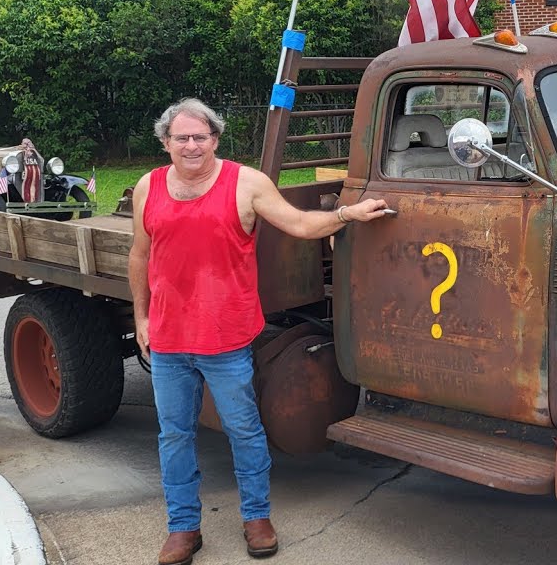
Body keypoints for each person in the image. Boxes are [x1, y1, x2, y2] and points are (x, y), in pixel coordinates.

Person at [129, 98, 390, 565]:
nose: (191, 145)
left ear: (215, 140)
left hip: (226, 338)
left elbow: (299, 223)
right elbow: (139, 255)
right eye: (181, 138)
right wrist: (141, 317)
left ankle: (256, 517)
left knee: (244, 431)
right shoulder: (148, 187)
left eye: (201, 137)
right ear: (165, 142)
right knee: (174, 436)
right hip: (169, 339)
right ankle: (183, 528)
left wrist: (347, 216)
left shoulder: (245, 183)